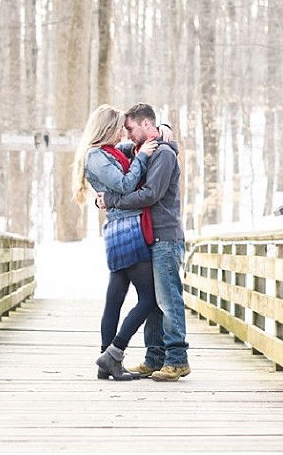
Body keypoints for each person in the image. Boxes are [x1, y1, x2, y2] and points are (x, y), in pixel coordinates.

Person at [97, 102, 190, 382]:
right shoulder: (139, 149)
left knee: (168, 299)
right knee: (151, 301)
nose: (126, 134)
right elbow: (107, 157)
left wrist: (112, 200)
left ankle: (177, 359)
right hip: (146, 236)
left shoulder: (162, 155)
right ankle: (154, 358)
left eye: (130, 128)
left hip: (165, 236)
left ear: (146, 125)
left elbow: (151, 194)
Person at [72, 104, 158, 381]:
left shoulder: (109, 151)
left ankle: (105, 362)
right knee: (151, 298)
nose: (123, 132)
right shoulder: (96, 156)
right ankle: (114, 352)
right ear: (107, 129)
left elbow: (130, 148)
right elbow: (124, 184)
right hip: (125, 229)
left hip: (120, 226)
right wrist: (143, 157)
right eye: (119, 127)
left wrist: (159, 133)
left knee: (116, 298)